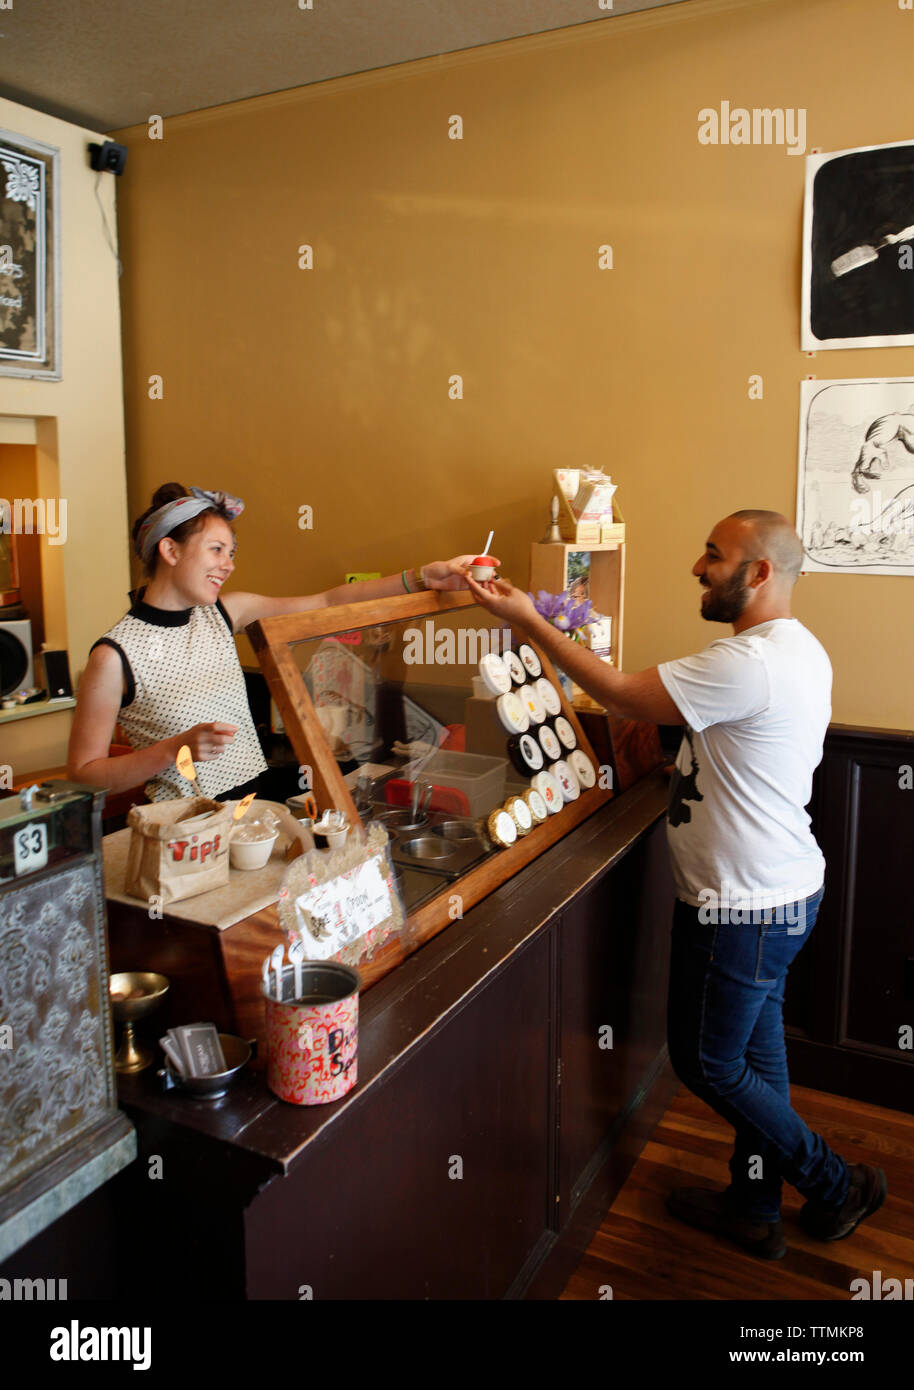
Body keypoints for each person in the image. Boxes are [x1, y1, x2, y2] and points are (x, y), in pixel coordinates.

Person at [467, 509, 887, 1261]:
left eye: (713, 555)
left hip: (744, 905)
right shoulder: (792, 649)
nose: (697, 567)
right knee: (757, 1058)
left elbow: (624, 696)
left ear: (758, 573)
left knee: (706, 1062)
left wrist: (528, 618)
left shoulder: (749, 662)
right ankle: (755, 1205)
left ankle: (834, 1183)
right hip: (778, 894)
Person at [68, 483, 475, 804]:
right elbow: (85, 774)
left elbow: (328, 602)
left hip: (254, 808)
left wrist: (423, 577)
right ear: (169, 550)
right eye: (216, 550)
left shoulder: (226, 613)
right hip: (187, 831)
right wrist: (173, 750)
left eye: (232, 552)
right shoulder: (113, 657)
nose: (228, 565)